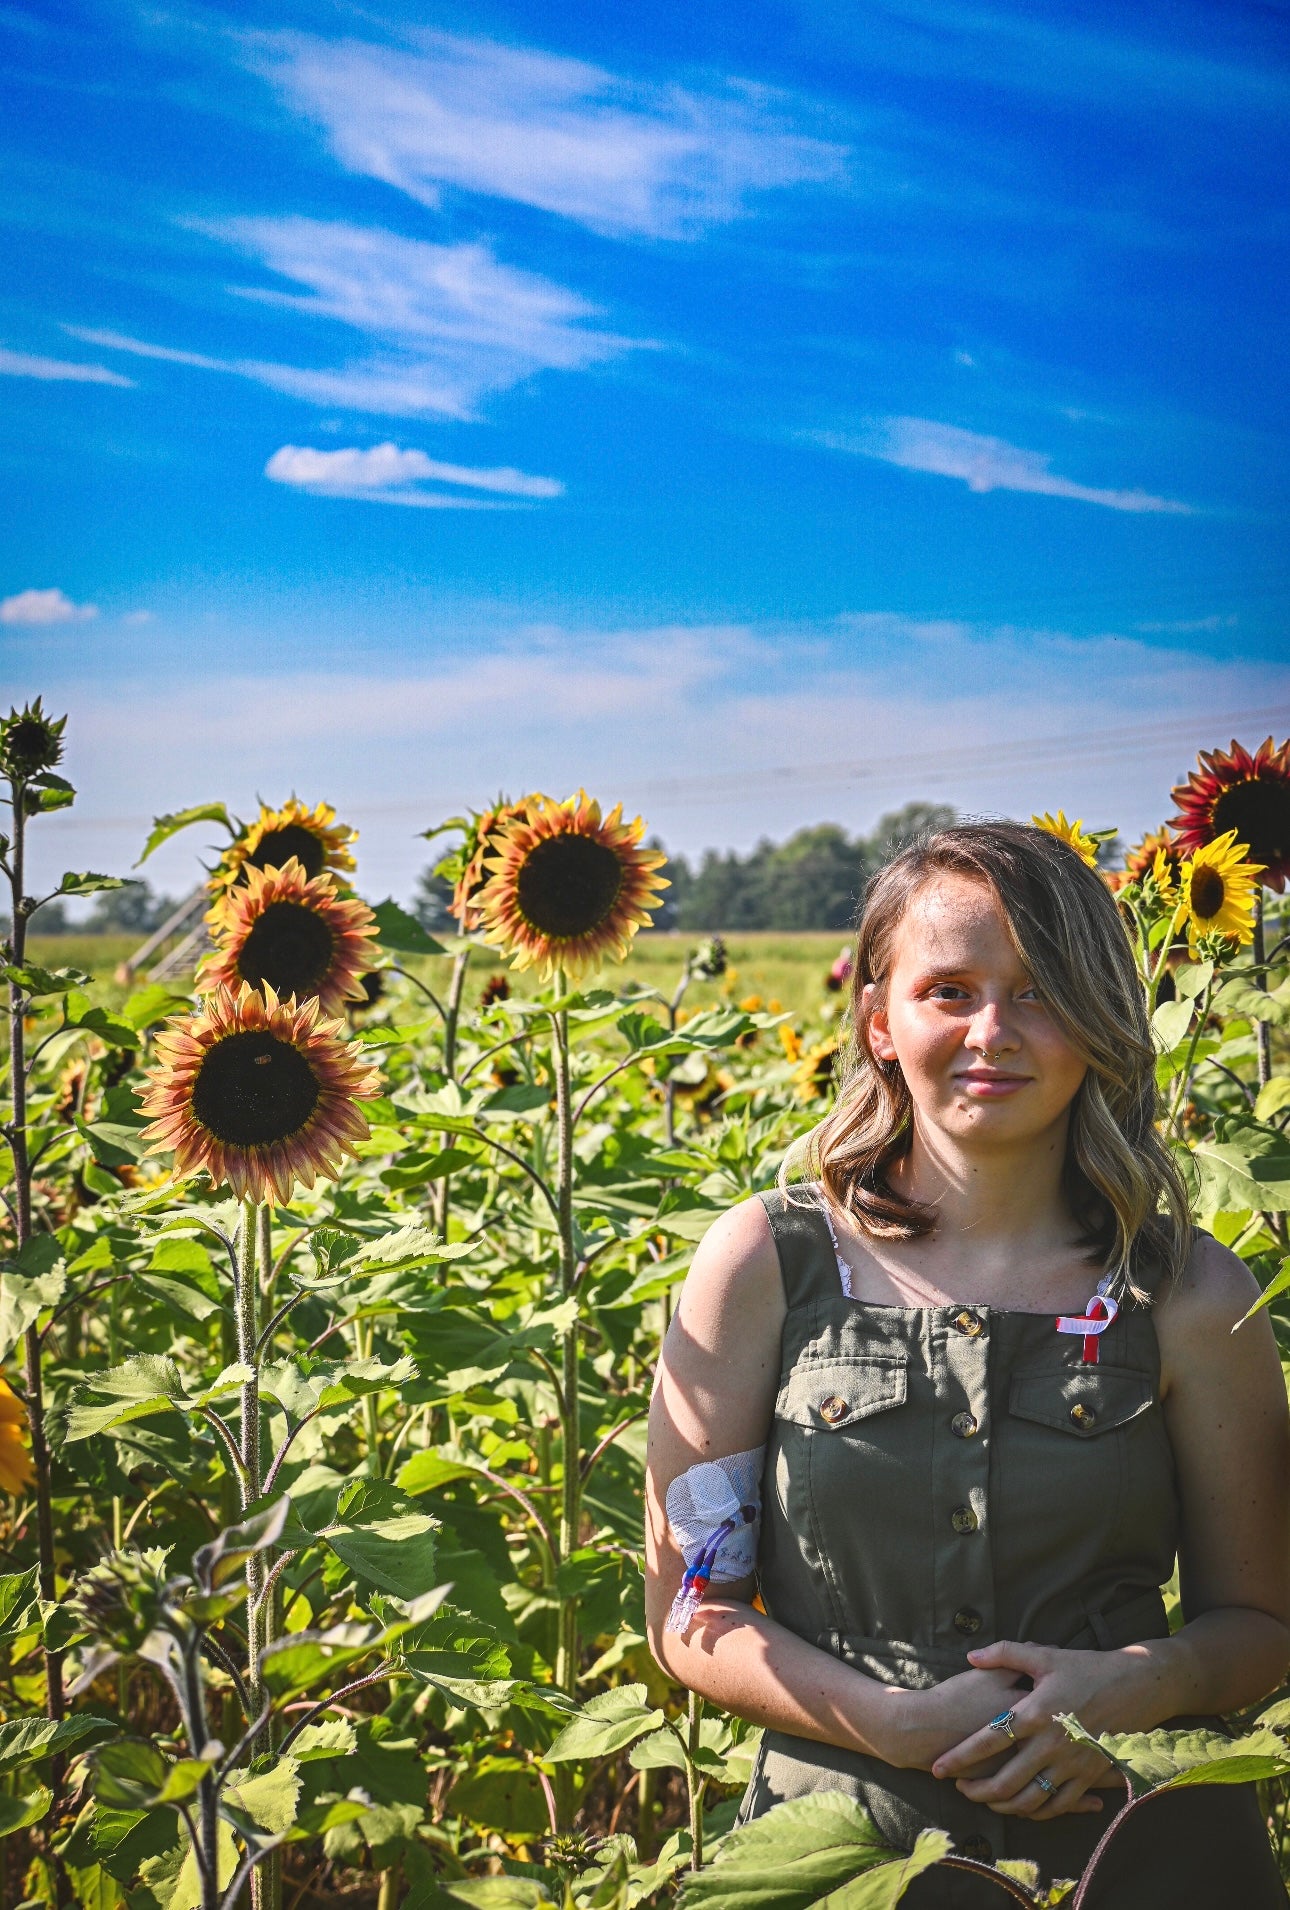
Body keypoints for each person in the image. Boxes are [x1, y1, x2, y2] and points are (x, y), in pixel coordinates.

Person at [645, 822, 1290, 1906]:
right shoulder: (764, 1263)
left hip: (1135, 1835)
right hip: (841, 1841)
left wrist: (1128, 1690)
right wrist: (890, 1719)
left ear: (1099, 1019)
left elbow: (1261, 1625)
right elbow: (693, 1609)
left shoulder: (1189, 1293)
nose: (994, 1030)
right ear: (879, 1022)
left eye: (1040, 989)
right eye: (949, 989)